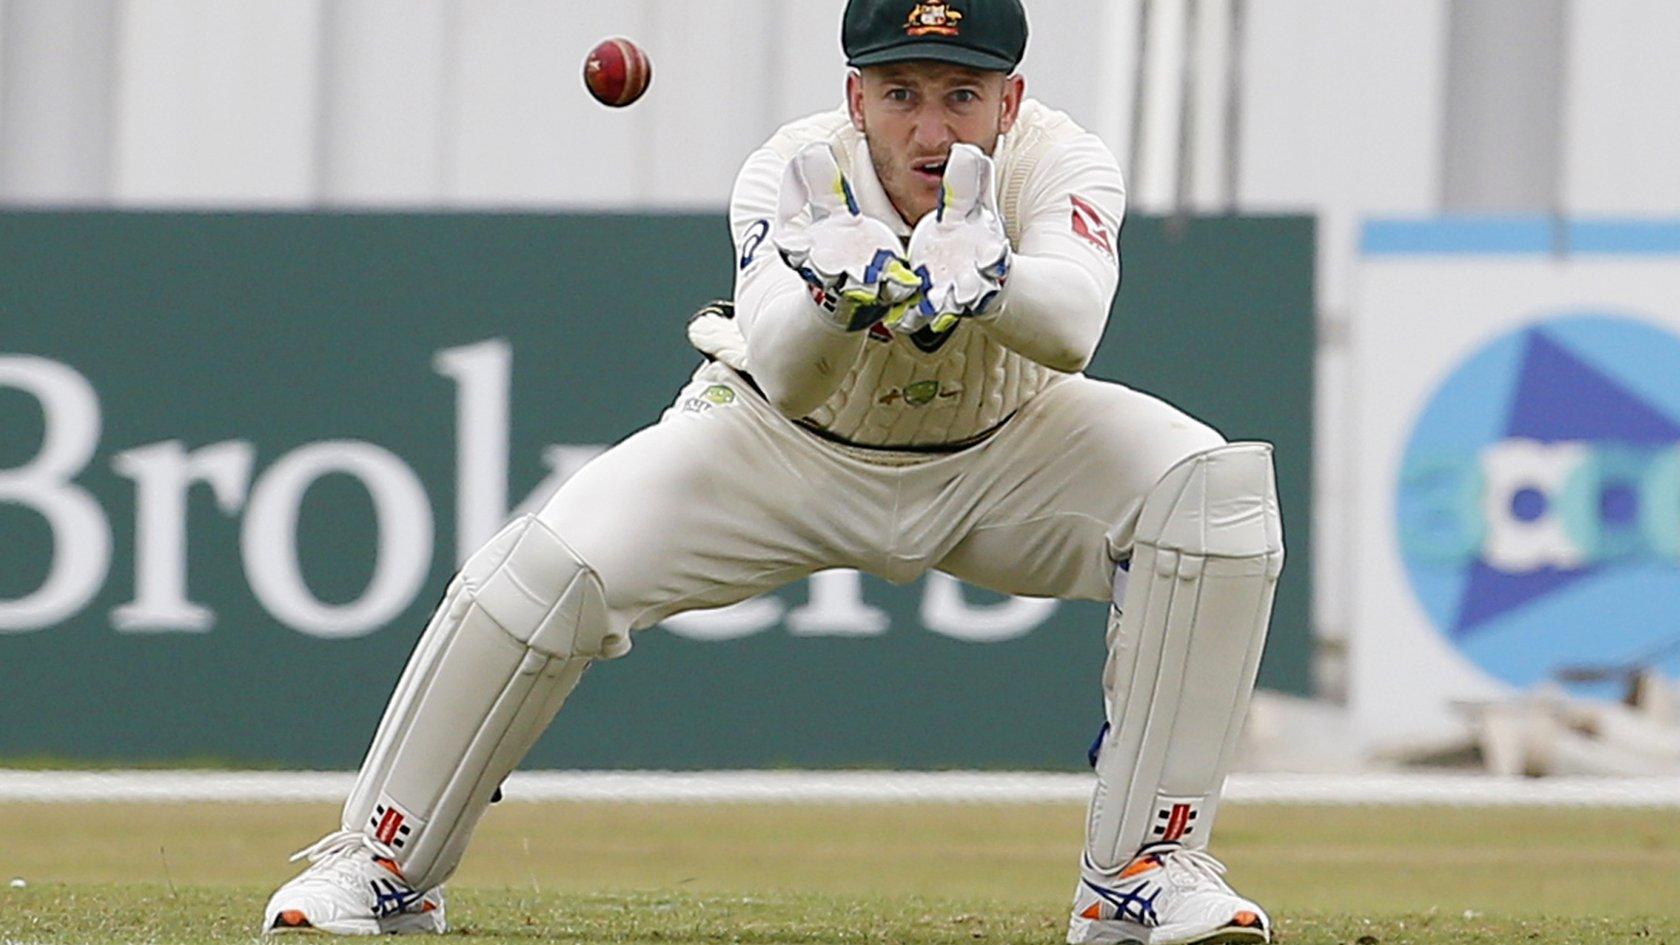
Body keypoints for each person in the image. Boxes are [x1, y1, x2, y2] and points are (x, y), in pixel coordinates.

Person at [261, 1, 1283, 942]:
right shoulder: (792, 171)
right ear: (855, 97)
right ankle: (385, 863)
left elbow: (1073, 333)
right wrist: (838, 298)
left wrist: (994, 278)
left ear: (1009, 99)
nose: (933, 133)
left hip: (1007, 448)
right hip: (774, 450)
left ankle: (1141, 872)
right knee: (543, 571)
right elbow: (790, 378)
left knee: (1211, 494)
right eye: (902, 95)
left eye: (962, 96)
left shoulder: (1061, 160)